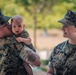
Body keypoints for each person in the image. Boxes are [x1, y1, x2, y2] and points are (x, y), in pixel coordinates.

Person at [0, 9, 41, 75]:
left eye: (8, 23)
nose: (10, 26)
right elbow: (37, 62)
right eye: (6, 24)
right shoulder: (13, 42)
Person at [47, 10, 76, 75]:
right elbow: (49, 72)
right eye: (62, 25)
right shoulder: (57, 49)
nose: (62, 28)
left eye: (66, 25)